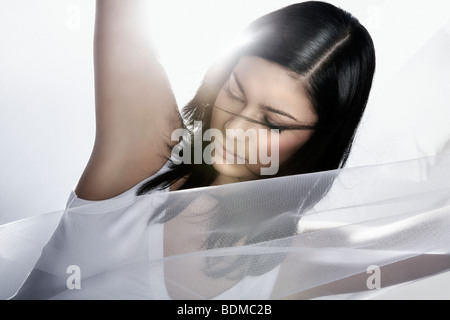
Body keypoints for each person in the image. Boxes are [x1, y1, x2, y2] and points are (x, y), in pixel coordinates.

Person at [8, 0, 450, 300]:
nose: (236, 128)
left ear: (321, 139)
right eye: (234, 94)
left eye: (273, 123)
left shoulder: (296, 259)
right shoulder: (145, 157)